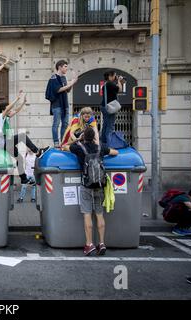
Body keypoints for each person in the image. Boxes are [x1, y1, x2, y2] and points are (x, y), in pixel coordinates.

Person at [66, 127, 119, 256]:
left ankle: (89, 244)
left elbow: (65, 146)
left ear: (84, 136)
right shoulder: (101, 148)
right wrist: (98, 142)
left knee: (87, 214)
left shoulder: (79, 148)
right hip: (100, 186)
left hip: (86, 186)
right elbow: (115, 152)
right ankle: (101, 243)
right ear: (94, 136)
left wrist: (77, 139)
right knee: (99, 214)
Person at [0, 92, 49, 185]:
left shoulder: (6, 117)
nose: (11, 110)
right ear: (4, 110)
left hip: (7, 144)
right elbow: (9, 108)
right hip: (5, 143)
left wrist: (23, 102)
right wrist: (17, 98)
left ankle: (23, 179)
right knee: (22, 136)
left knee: (20, 159)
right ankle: (37, 151)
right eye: (9, 109)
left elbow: (16, 110)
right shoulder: (0, 117)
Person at [46, 60, 78, 149]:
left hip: (65, 104)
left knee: (65, 124)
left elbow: (67, 90)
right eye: (65, 66)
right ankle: (56, 142)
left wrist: (71, 84)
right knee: (56, 124)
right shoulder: (53, 78)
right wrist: (71, 83)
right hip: (57, 105)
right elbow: (58, 90)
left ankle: (63, 142)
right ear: (59, 67)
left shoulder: (64, 78)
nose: (66, 68)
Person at [101, 70, 125, 145]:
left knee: (105, 125)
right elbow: (120, 89)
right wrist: (119, 80)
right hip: (110, 108)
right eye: (115, 75)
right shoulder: (110, 84)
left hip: (104, 106)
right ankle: (109, 146)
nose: (115, 77)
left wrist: (119, 82)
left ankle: (103, 143)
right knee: (110, 127)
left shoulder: (105, 84)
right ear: (110, 76)